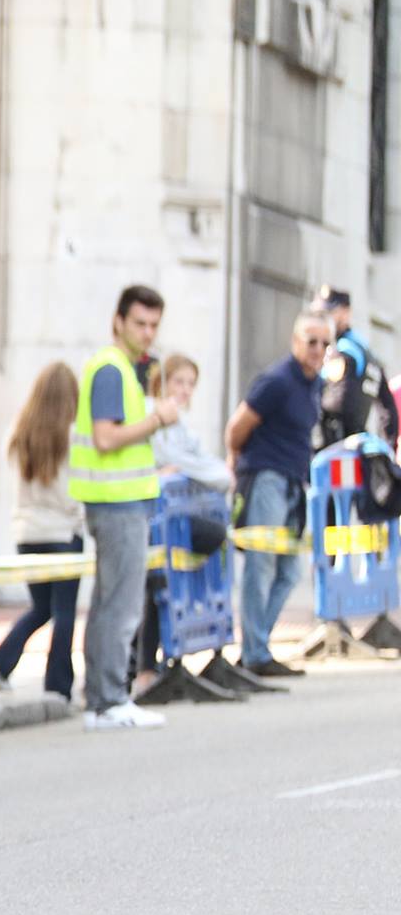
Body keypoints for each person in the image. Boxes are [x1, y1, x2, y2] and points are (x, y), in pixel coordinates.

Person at [71, 284, 181, 730]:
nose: (148, 333)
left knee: (109, 604)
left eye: (154, 325)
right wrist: (157, 419)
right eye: (140, 323)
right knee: (120, 606)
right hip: (117, 502)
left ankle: (102, 700)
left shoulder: (119, 368)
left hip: (117, 500)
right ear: (118, 322)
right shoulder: (112, 369)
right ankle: (111, 699)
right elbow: (106, 438)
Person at [226, 311, 328, 677]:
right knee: (262, 565)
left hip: (293, 483)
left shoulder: (315, 384)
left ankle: (258, 647)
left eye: (325, 343)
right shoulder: (277, 381)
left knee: (289, 571)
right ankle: (254, 654)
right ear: (296, 342)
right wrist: (236, 464)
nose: (318, 350)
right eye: (312, 342)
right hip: (266, 477)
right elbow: (237, 427)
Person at [0, 363, 84, 702]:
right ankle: (58, 684)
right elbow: (74, 492)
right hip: (63, 533)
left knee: (42, 607)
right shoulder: (73, 435)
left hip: (27, 534)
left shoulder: (18, 432)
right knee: (63, 611)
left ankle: (0, 663)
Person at [132, 354, 234, 682]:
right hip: (148, 517)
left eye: (191, 384)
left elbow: (200, 463)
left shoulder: (180, 424)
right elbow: (179, 461)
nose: (185, 390)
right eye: (179, 381)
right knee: (154, 586)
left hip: (167, 520)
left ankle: (146, 664)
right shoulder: (151, 413)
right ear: (161, 382)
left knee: (159, 585)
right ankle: (143, 668)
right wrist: (210, 475)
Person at [314, 286, 399, 451]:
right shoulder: (367, 351)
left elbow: (332, 404)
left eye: (330, 312)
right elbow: (388, 411)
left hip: (333, 448)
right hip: (356, 446)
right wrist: (389, 449)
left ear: (346, 313)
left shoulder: (342, 351)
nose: (323, 318)